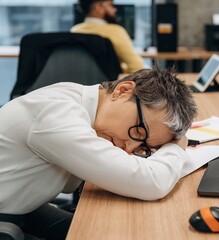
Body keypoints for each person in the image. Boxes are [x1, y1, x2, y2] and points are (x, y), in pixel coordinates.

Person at [0, 67, 197, 239]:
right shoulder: (57, 114)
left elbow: (70, 184)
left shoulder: (77, 97)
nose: (129, 148)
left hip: (25, 207)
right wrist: (175, 148)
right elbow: (150, 183)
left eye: (142, 147)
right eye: (138, 130)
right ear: (123, 91)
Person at [71, 0, 144, 73]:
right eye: (111, 5)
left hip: (78, 82)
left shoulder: (74, 30)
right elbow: (138, 67)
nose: (115, 9)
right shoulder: (116, 31)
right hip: (109, 83)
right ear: (97, 7)